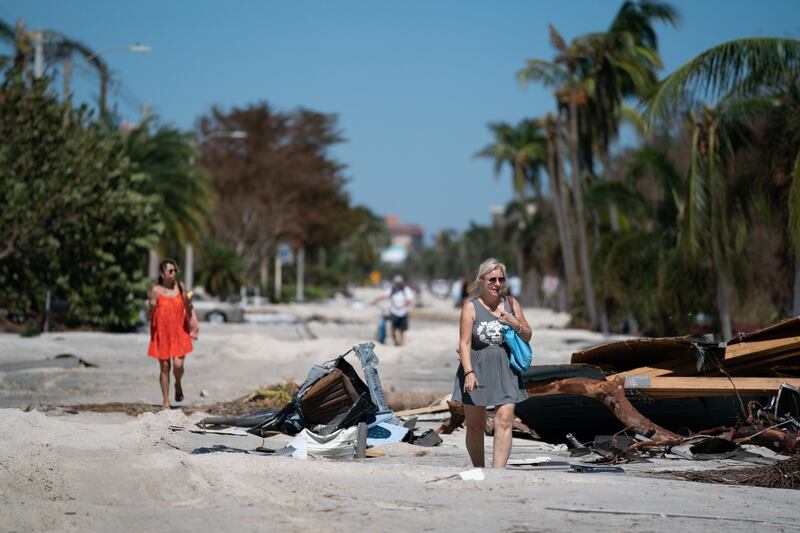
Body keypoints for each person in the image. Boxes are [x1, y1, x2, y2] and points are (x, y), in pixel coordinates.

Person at [453, 258, 532, 468]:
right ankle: (479, 468)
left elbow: (528, 335)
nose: (497, 284)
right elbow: (464, 343)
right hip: (476, 368)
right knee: (475, 425)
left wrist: (515, 324)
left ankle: (498, 472)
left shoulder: (511, 303)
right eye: (492, 279)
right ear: (481, 281)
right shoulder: (470, 307)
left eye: (501, 279)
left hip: (506, 368)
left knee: (504, 419)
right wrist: (469, 372)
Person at [147, 259, 194, 410]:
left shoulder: (180, 287)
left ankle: (178, 383)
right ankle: (166, 401)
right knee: (165, 367)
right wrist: (152, 308)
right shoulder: (156, 290)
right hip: (162, 333)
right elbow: (149, 316)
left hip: (179, 331)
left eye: (175, 271)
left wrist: (187, 302)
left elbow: (188, 309)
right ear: (162, 273)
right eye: (170, 271)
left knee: (178, 366)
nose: (174, 274)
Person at [371, 275, 414, 346]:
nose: (397, 284)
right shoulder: (392, 289)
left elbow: (409, 300)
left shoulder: (406, 290)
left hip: (403, 312)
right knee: (392, 330)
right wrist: (375, 300)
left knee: (402, 330)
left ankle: (401, 344)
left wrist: (402, 306)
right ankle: (396, 342)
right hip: (394, 312)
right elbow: (384, 296)